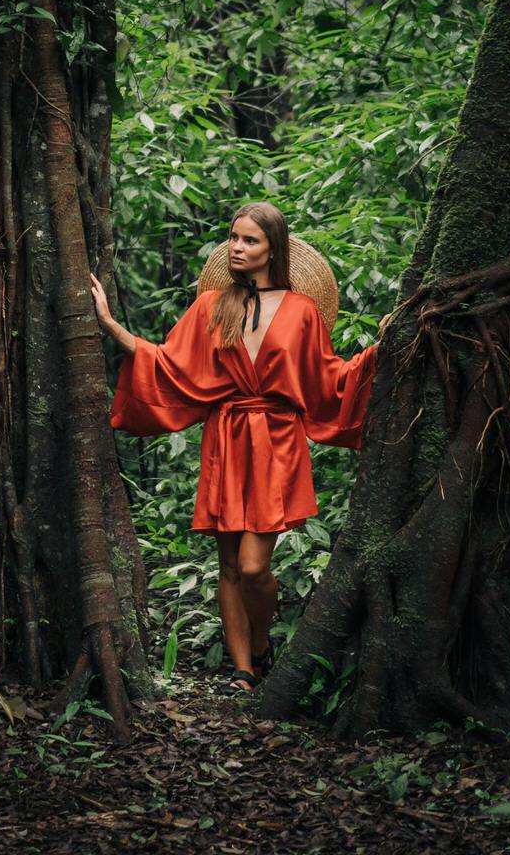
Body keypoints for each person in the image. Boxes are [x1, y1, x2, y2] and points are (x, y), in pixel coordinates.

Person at [88, 201, 379, 695]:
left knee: (253, 566)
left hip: (277, 439)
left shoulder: (303, 311)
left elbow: (330, 378)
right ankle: (243, 671)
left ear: (273, 250)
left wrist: (380, 347)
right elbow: (170, 364)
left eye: (249, 240)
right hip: (226, 436)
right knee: (227, 566)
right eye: (233, 237)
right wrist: (110, 324)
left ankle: (262, 643)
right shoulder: (210, 306)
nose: (236, 248)